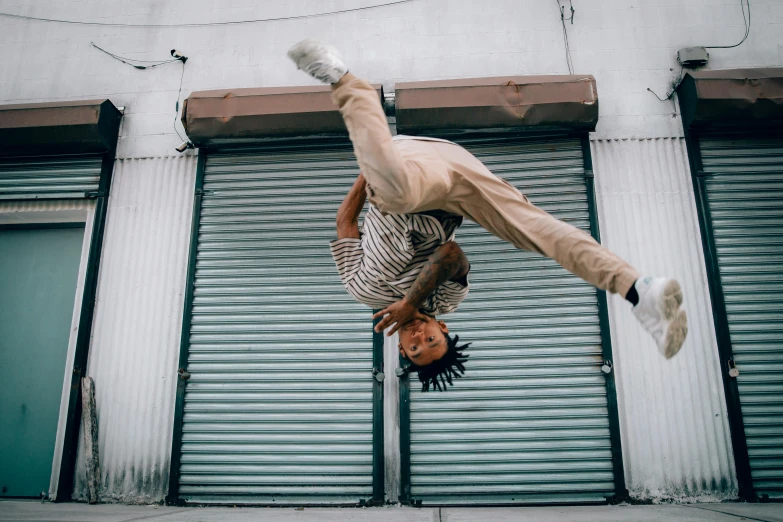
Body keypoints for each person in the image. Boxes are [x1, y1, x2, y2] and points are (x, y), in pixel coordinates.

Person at [287, 39, 688, 391]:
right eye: (431, 341)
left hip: (413, 167)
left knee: (394, 191)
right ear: (442, 328)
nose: (419, 337)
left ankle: (345, 82)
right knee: (534, 231)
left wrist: (371, 172)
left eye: (414, 347)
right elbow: (452, 255)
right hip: (446, 188)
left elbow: (346, 223)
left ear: (399, 346)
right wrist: (412, 301)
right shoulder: (446, 300)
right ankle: (638, 289)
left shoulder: (362, 292)